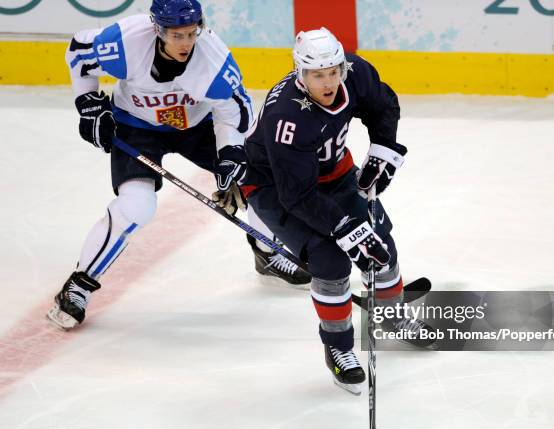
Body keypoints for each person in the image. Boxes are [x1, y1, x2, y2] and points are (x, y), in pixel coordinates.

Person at [48, 0, 295, 330]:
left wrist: (231, 155)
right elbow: (79, 51)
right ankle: (79, 285)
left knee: (258, 178)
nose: (186, 43)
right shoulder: (126, 42)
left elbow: (233, 115)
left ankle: (267, 250)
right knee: (137, 206)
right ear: (157, 29)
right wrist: (88, 104)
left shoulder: (214, 61)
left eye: (192, 33)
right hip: (135, 125)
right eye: (177, 35)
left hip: (197, 127)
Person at [242, 27, 417, 394]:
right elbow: (298, 195)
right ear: (300, 74)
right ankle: (338, 348)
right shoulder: (287, 117)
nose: (328, 82)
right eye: (317, 75)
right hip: (277, 188)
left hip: (333, 172)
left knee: (380, 244)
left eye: (333, 71)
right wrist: (345, 227)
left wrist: (382, 149)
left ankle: (393, 316)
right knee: (330, 261)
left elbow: (382, 103)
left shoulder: (355, 72)